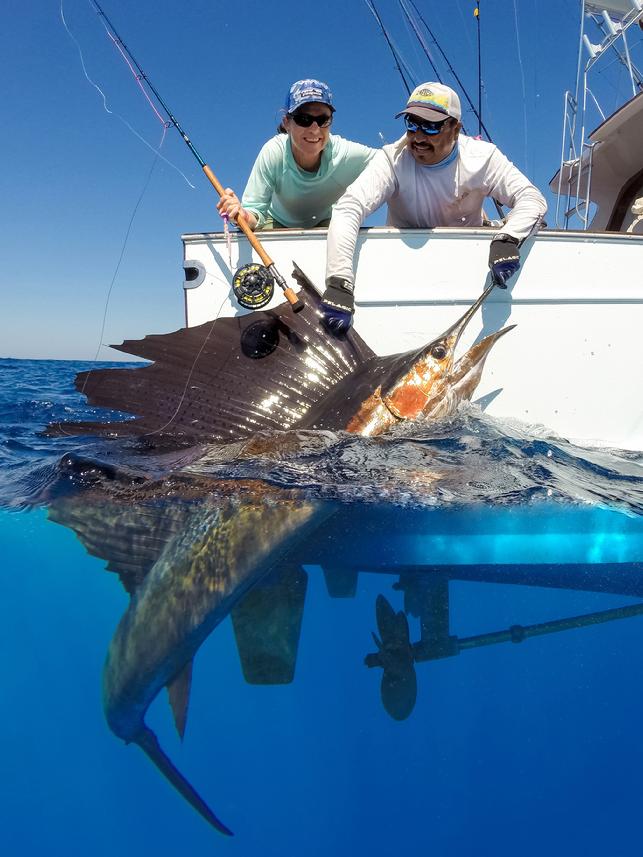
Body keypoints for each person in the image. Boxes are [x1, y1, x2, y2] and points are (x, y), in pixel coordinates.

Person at [320, 82, 547, 333]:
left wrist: (508, 237)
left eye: (430, 126)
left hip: (470, 274)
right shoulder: (392, 159)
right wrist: (339, 281)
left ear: (456, 128)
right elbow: (348, 208)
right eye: (412, 123)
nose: (418, 136)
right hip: (406, 274)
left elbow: (531, 198)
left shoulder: (483, 157)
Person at [217, 79, 376, 231]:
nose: (314, 129)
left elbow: (390, 159)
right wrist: (240, 214)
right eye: (303, 119)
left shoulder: (344, 151)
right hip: (277, 222)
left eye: (323, 120)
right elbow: (254, 213)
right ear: (287, 123)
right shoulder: (274, 151)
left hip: (325, 222)